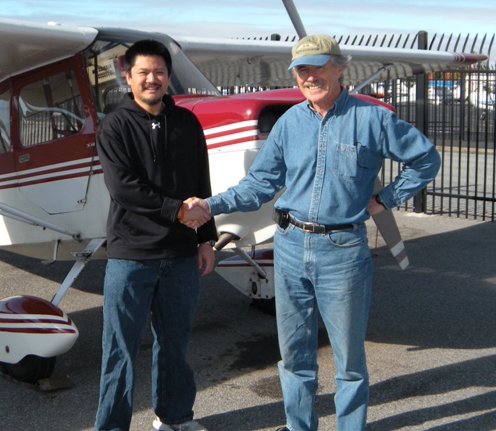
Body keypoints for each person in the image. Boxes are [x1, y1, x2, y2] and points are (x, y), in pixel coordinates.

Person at [184, 34, 440, 431]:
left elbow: (425, 158)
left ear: (339, 68)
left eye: (318, 67)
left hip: (342, 251)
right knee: (295, 357)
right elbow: (259, 186)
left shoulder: (372, 119)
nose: (309, 76)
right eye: (302, 69)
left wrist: (386, 198)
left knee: (349, 362)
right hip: (288, 247)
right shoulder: (289, 123)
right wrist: (209, 205)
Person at [94, 39, 217, 431]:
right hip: (131, 256)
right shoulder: (115, 125)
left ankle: (175, 418)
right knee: (120, 349)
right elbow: (124, 188)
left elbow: (201, 182)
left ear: (168, 76)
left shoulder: (187, 123)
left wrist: (205, 238)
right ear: (127, 76)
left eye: (160, 72)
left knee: (175, 345)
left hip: (181, 255)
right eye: (143, 72)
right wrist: (177, 210)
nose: (152, 79)